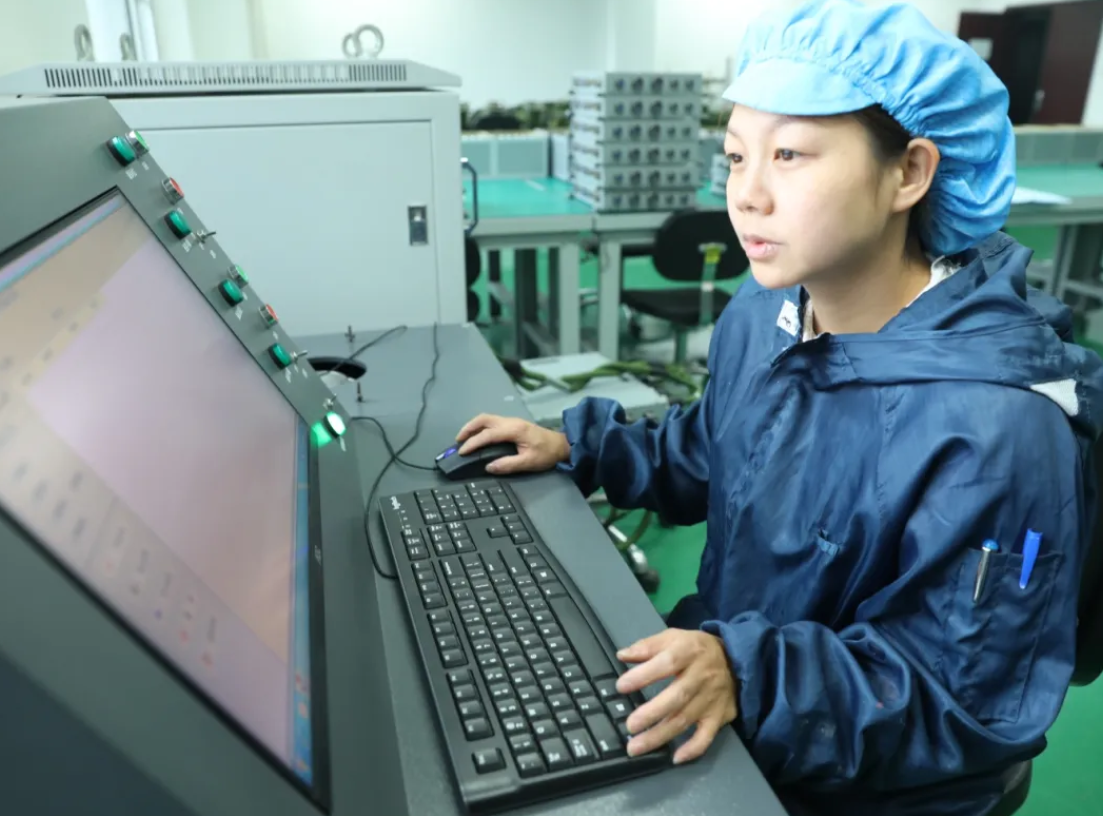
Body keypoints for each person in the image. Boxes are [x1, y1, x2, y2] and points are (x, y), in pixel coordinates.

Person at [456, 1, 1103, 814]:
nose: (747, 195)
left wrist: (749, 675)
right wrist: (582, 448)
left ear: (908, 173)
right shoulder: (767, 313)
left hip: (865, 786)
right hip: (738, 702)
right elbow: (714, 449)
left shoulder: (998, 427)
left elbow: (959, 697)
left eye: (789, 154)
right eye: (735, 157)